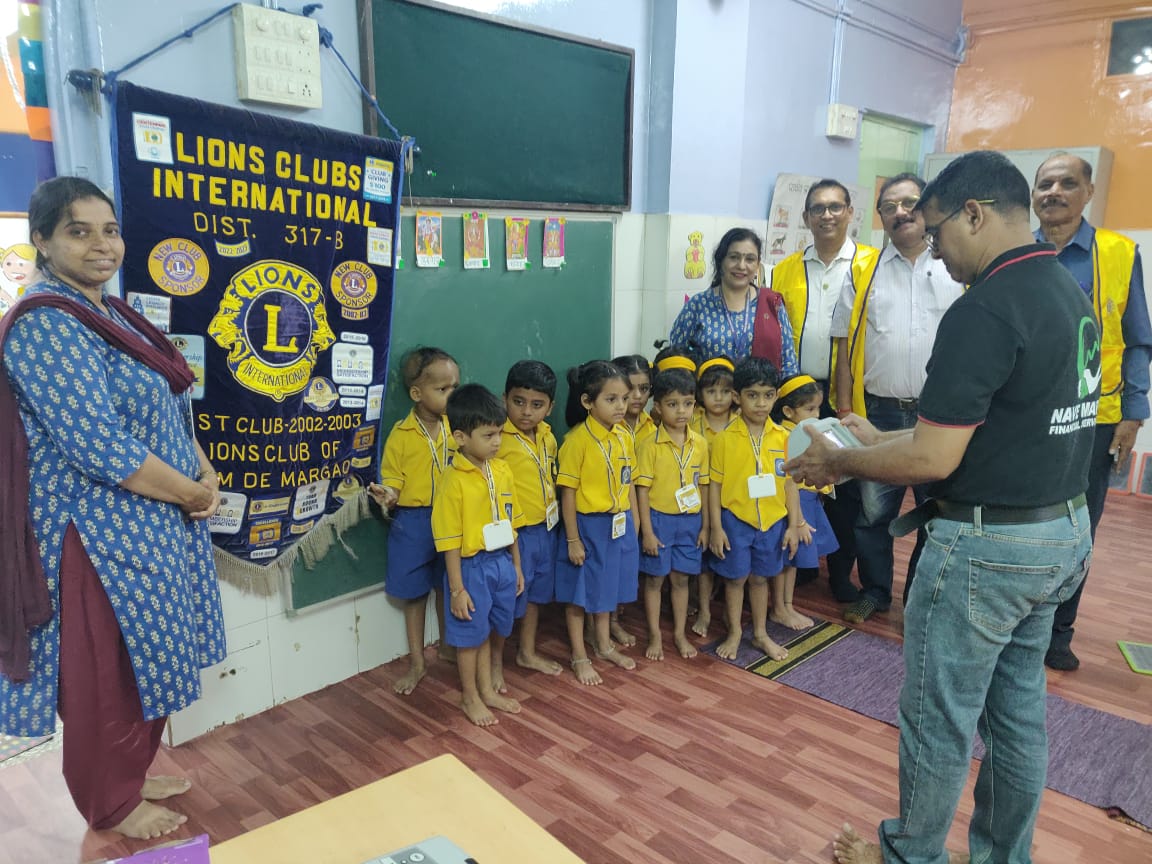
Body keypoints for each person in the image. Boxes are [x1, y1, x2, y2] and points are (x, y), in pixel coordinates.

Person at [785, 151, 1096, 864]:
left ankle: (909, 856)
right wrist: (878, 437)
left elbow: (932, 461)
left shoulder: (983, 307)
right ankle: (1000, 857)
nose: (935, 251)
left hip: (987, 551)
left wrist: (839, 459)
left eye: (937, 231)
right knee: (1016, 719)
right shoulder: (1064, 286)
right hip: (1058, 534)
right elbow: (986, 426)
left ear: (975, 215)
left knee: (938, 721)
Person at [0, 176, 226, 839]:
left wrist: (201, 467)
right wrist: (191, 492)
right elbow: (96, 443)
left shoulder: (111, 310)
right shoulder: (46, 322)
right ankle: (110, 803)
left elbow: (165, 405)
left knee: (144, 659)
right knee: (104, 672)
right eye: (78, 230)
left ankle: (127, 768)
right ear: (40, 239)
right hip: (92, 533)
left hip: (152, 521)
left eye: (109, 229)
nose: (101, 245)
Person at [1032, 152, 1152, 671]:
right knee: (1024, 523)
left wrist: (1133, 414)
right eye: (1044, 184)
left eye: (1066, 183)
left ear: (1088, 191)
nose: (1054, 192)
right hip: (1025, 417)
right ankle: (1018, 623)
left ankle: (1059, 632)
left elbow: (1139, 341)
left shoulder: (1119, 253)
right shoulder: (1014, 249)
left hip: (1094, 420)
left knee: (1078, 528)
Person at [831, 174, 964, 622]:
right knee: (872, 514)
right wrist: (846, 406)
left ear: (927, 206)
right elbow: (846, 344)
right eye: (890, 206)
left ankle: (921, 598)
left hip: (940, 415)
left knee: (936, 513)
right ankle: (875, 591)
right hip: (880, 412)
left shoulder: (954, 263)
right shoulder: (863, 272)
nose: (901, 212)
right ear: (880, 217)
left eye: (910, 202)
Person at [759, 180, 880, 602]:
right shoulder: (784, 269)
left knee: (847, 489)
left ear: (850, 212)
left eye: (835, 207)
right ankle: (801, 561)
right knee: (797, 477)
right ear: (806, 217)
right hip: (795, 395)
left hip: (848, 394)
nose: (826, 215)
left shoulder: (872, 265)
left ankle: (842, 573)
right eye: (818, 209)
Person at [432, 383, 525, 727]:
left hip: (501, 562)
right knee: (469, 639)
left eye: (499, 433)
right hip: (470, 569)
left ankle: (487, 691)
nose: (497, 442)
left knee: (489, 630)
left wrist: (516, 566)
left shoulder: (501, 470)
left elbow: (512, 522)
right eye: (488, 435)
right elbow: (449, 541)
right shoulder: (452, 481)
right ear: (460, 436)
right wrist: (457, 589)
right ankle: (469, 696)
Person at [369, 347, 460, 695]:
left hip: (451, 519)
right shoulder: (402, 434)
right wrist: (389, 495)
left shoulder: (459, 427)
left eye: (455, 387)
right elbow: (394, 479)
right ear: (417, 394)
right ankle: (418, 662)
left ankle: (450, 647)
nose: (452, 395)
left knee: (449, 585)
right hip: (414, 522)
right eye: (443, 389)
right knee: (414, 595)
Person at [708, 356, 801, 662]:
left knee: (761, 579)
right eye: (752, 395)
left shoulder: (784, 438)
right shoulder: (724, 440)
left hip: (772, 521)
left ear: (776, 396)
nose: (761, 403)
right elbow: (715, 486)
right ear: (737, 397)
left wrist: (793, 524)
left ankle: (760, 634)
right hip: (736, 521)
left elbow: (790, 484)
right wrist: (716, 528)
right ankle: (735, 631)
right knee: (735, 580)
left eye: (767, 395)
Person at [555, 361, 640, 685]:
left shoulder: (623, 436)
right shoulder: (577, 441)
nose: (621, 406)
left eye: (624, 398)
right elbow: (569, 495)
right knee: (580, 594)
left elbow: (628, 481)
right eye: (611, 399)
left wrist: (632, 524)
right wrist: (573, 540)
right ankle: (579, 655)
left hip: (617, 523)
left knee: (605, 590)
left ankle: (603, 644)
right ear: (588, 402)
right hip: (588, 526)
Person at [636, 364, 709, 660]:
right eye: (672, 404)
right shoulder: (648, 445)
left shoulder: (701, 444)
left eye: (687, 403)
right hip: (659, 520)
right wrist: (648, 532)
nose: (681, 411)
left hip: (690, 521)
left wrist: (704, 526)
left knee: (681, 580)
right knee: (655, 581)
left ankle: (678, 634)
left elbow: (703, 485)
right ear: (658, 407)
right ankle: (654, 635)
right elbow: (641, 490)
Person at [497, 360, 563, 677]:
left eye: (537, 405)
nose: (526, 412)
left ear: (550, 407)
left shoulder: (549, 437)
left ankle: (526, 652)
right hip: (514, 534)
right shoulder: (497, 440)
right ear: (504, 399)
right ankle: (494, 664)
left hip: (546, 529)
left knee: (536, 595)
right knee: (508, 599)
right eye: (518, 402)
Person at [670, 227, 799, 373]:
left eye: (750, 259)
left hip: (761, 394)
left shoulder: (772, 304)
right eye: (734, 257)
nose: (741, 266)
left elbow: (789, 363)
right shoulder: (698, 305)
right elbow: (675, 360)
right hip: (714, 394)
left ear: (757, 265)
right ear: (720, 261)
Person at [771, 374, 837, 629]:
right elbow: (789, 481)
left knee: (794, 560)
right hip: (794, 504)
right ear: (788, 411)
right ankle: (779, 607)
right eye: (809, 409)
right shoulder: (787, 437)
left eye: (818, 408)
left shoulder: (805, 433)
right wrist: (796, 519)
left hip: (808, 500)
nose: (816, 414)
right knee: (787, 558)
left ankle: (787, 605)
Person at [689, 355, 736, 637]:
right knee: (705, 561)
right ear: (700, 394)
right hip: (699, 501)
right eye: (711, 391)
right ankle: (705, 611)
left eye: (725, 392)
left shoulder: (742, 422)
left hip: (732, 502)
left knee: (730, 558)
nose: (718, 398)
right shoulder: (691, 423)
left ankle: (730, 617)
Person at [610, 353, 654, 645]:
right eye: (631, 390)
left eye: (645, 389)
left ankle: (621, 609)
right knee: (609, 569)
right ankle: (608, 620)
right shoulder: (610, 425)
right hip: (615, 507)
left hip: (644, 505)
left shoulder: (654, 424)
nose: (638, 396)